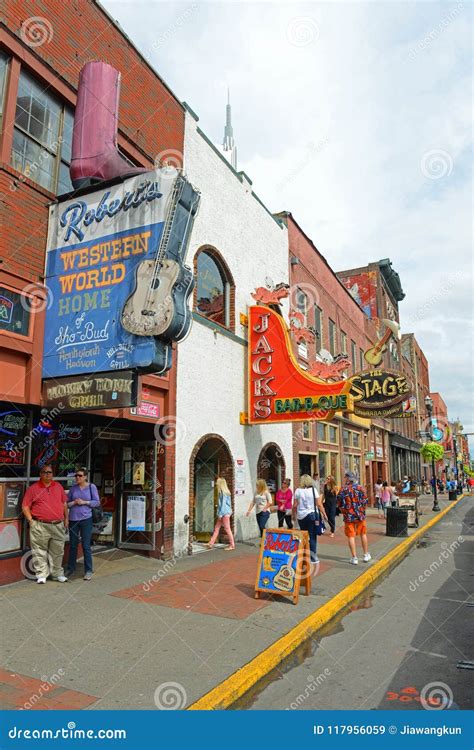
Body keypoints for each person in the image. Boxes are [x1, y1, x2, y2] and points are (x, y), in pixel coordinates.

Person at [21, 465, 69, 584]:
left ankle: (57, 574)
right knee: (39, 551)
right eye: (45, 472)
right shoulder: (33, 488)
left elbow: (64, 504)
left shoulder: (58, 486)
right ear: (40, 474)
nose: (48, 474)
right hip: (40, 525)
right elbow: (25, 506)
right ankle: (41, 574)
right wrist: (31, 520)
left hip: (58, 524)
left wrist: (66, 519)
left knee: (58, 551)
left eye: (50, 472)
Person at [65, 468, 101, 580]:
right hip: (73, 519)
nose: (77, 477)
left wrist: (85, 502)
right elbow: (66, 504)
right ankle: (71, 568)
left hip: (86, 519)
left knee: (86, 546)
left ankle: (88, 570)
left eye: (80, 476)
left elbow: (97, 502)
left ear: (85, 477)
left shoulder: (91, 487)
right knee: (73, 545)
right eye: (76, 476)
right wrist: (74, 502)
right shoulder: (73, 488)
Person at [292, 474, 328, 568]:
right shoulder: (313, 490)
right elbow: (319, 504)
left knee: (303, 536)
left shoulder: (297, 491)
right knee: (312, 536)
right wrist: (324, 514)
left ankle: (303, 555)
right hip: (312, 515)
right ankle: (313, 557)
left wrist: (293, 515)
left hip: (301, 516)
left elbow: (295, 505)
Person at [337, 472, 371, 565]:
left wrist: (344, 511)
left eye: (345, 477)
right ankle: (365, 555)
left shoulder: (343, 489)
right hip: (360, 515)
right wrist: (362, 510)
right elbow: (365, 501)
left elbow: (339, 503)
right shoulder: (361, 488)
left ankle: (354, 557)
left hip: (348, 516)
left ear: (348, 479)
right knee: (363, 534)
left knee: (351, 536)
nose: (344, 479)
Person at [207, 477, 235, 551]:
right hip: (223, 513)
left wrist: (220, 514)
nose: (216, 483)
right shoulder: (223, 492)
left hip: (224, 513)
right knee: (217, 528)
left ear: (220, 484)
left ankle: (232, 545)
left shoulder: (224, 493)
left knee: (227, 529)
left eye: (217, 482)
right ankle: (211, 543)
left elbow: (223, 505)